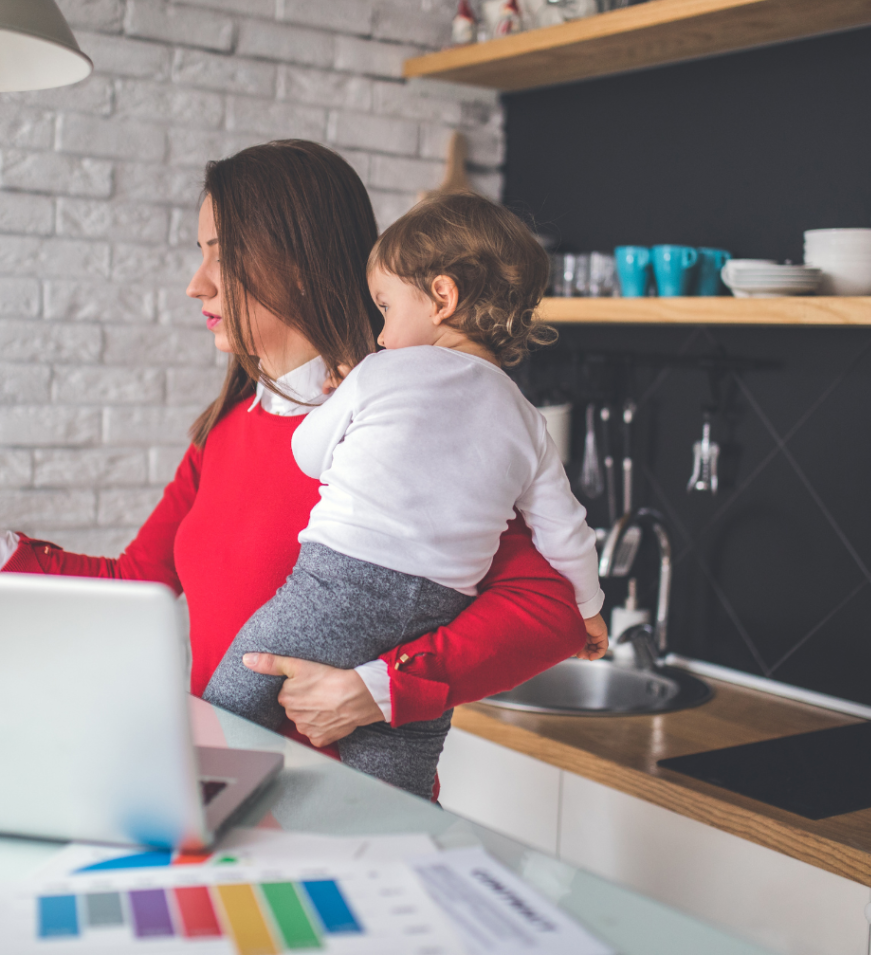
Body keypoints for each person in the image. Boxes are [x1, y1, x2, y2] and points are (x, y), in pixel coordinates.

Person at [0, 140, 601, 795]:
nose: (196, 285)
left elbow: (552, 609)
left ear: (296, 259)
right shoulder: (225, 431)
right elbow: (138, 584)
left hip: (340, 815)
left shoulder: (411, 428)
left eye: (218, 254)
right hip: (223, 799)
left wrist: (383, 688)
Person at [205, 191, 605, 799]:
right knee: (399, 772)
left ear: (442, 297)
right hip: (437, 610)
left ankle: (199, 809)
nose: (383, 331)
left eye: (387, 308)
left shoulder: (379, 370)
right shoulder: (527, 420)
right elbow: (565, 530)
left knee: (230, 702)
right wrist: (589, 610)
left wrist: (345, 404)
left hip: (335, 589)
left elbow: (306, 454)